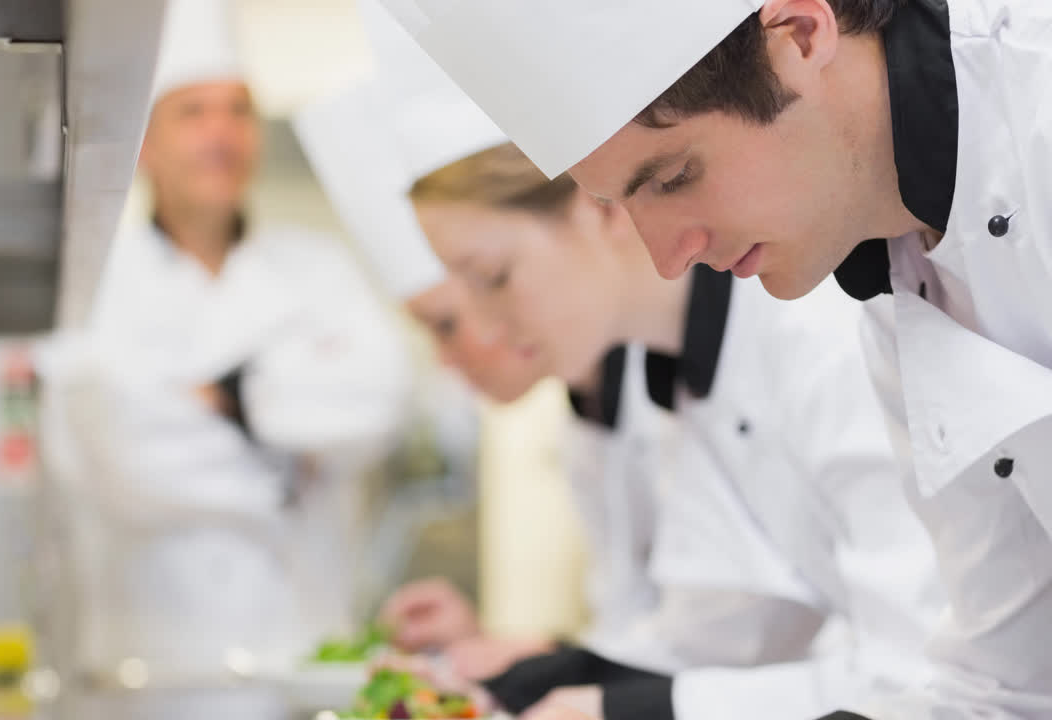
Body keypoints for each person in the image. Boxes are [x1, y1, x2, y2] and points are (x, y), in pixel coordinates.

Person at [376, 0, 1052, 718]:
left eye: (675, 176)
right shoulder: (904, 292)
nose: (666, 257)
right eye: (624, 203)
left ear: (798, 34)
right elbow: (1010, 684)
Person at [356, 13, 943, 709]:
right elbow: (723, 628)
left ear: (591, 206)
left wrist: (624, 705)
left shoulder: (822, 331)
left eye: (493, 277)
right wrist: (550, 677)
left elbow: (933, 671)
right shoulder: (675, 379)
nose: (484, 329)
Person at [37, 1, 409, 715]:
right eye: (194, 111)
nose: (222, 132)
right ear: (144, 145)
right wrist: (293, 460)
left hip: (302, 676)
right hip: (145, 686)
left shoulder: (319, 268)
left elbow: (377, 402)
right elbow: (123, 451)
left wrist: (223, 401)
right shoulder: (93, 283)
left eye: (238, 110)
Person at [293, 77, 670, 681]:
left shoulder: (678, 367)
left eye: (448, 321)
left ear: (595, 210)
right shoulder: (587, 419)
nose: (457, 352)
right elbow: (648, 646)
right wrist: (501, 655)